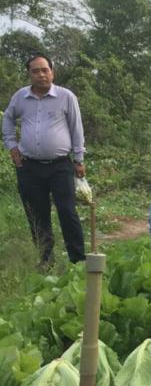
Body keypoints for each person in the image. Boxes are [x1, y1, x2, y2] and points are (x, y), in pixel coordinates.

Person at [2, 53, 86, 268]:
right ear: (29, 74)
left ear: (52, 72)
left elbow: (77, 128)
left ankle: (78, 260)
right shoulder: (21, 97)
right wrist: (12, 146)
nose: (41, 75)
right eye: (35, 71)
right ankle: (46, 260)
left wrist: (78, 159)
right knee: (37, 216)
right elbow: (8, 119)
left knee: (67, 212)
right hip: (29, 167)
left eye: (45, 70)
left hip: (60, 166)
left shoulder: (66, 97)